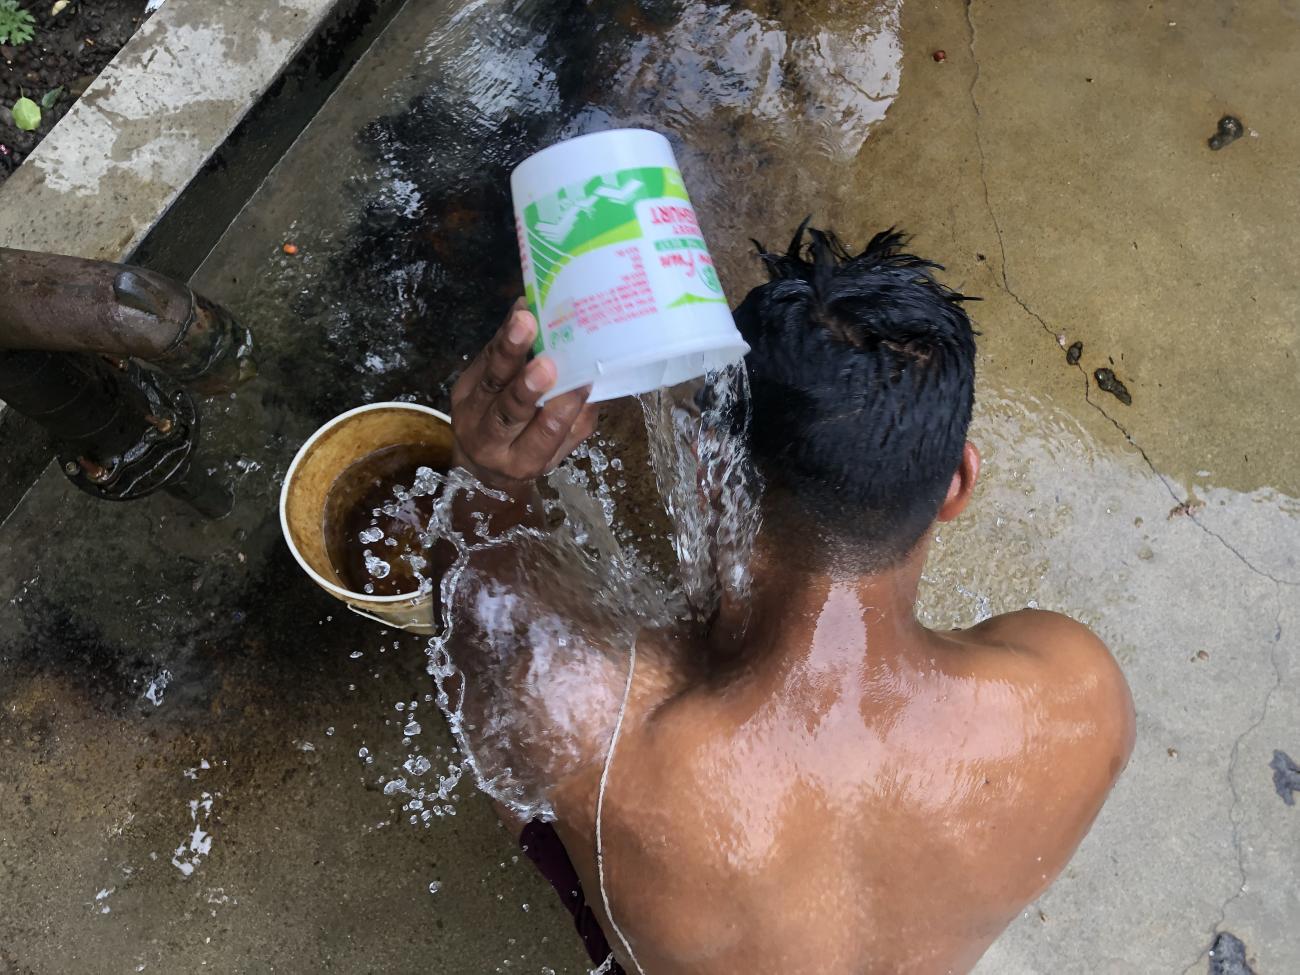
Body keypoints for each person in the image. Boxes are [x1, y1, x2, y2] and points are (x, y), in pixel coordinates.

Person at [445, 225, 1136, 975]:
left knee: (504, 712)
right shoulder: (1079, 693)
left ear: (710, 474)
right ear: (958, 483)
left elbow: (471, 588)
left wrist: (490, 474)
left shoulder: (593, 726)